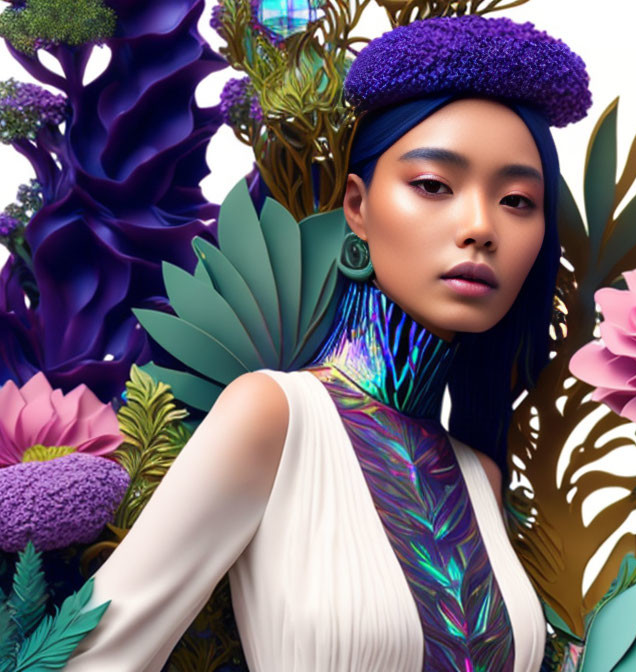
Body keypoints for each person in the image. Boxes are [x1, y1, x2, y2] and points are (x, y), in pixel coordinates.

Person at [64, 13, 590, 672]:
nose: (480, 227)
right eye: (434, 186)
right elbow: (95, 656)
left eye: (517, 200)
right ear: (358, 207)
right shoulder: (275, 418)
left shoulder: (477, 475)